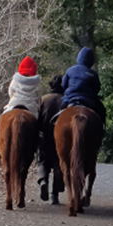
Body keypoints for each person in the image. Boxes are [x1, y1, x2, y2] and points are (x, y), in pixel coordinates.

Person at [36, 75, 64, 204]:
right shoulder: (65, 100)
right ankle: (55, 195)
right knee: (58, 163)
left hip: (45, 136)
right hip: (61, 138)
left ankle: (43, 180)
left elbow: (38, 118)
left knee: (42, 160)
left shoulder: (43, 99)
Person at [60, 46, 106, 124]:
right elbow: (97, 89)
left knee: (59, 114)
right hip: (88, 101)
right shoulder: (93, 74)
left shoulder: (69, 70)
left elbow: (63, 85)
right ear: (91, 60)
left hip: (69, 99)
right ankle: (102, 128)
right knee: (101, 110)